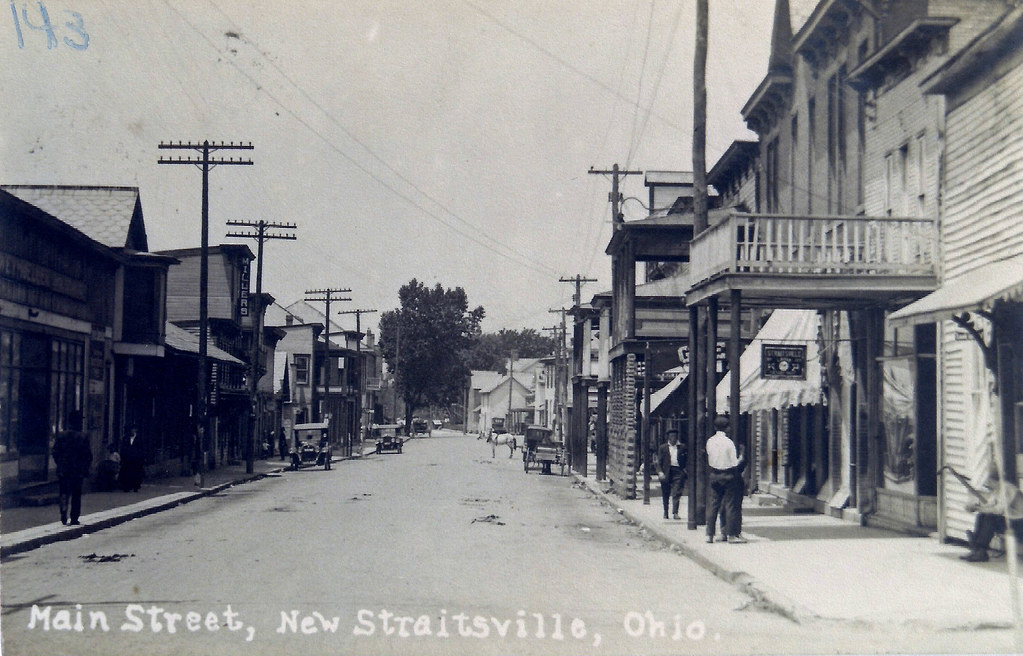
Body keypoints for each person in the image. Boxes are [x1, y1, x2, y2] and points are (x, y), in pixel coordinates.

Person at [960, 464, 1023, 562]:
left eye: (986, 480)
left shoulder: (1006, 488)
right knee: (982, 516)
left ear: (990, 479)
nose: (985, 483)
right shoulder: (997, 490)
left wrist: (979, 508)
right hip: (1012, 521)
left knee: (991, 519)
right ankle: (977, 550)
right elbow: (989, 506)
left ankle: (980, 550)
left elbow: (998, 510)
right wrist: (975, 507)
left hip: (1020, 523)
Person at [705, 415, 747, 544]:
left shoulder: (710, 441)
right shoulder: (729, 443)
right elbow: (734, 462)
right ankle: (732, 534)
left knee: (714, 504)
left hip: (714, 474)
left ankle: (710, 534)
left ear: (715, 427)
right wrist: (742, 457)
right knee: (730, 505)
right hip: (728, 475)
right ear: (727, 427)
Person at [52, 411, 92, 525]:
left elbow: (55, 452)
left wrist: (60, 464)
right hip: (77, 471)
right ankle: (74, 517)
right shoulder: (83, 437)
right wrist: (84, 469)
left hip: (63, 470)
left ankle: (63, 512)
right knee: (76, 494)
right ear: (78, 422)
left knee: (63, 492)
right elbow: (88, 456)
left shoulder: (61, 435)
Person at [656, 430, 687, 520]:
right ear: (668, 437)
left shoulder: (682, 447)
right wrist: (660, 472)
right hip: (667, 472)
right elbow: (659, 462)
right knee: (665, 493)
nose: (673, 438)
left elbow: (687, 459)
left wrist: (685, 471)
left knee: (677, 492)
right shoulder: (663, 448)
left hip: (678, 471)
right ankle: (666, 512)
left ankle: (675, 512)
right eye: (671, 436)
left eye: (675, 436)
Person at [119, 426, 144, 492]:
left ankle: (135, 487)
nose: (132, 431)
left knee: (136, 473)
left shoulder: (139, 439)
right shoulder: (125, 438)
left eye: (133, 430)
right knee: (127, 473)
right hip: (127, 459)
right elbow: (123, 448)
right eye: (131, 430)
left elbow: (141, 449)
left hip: (136, 460)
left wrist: (140, 458)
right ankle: (126, 487)